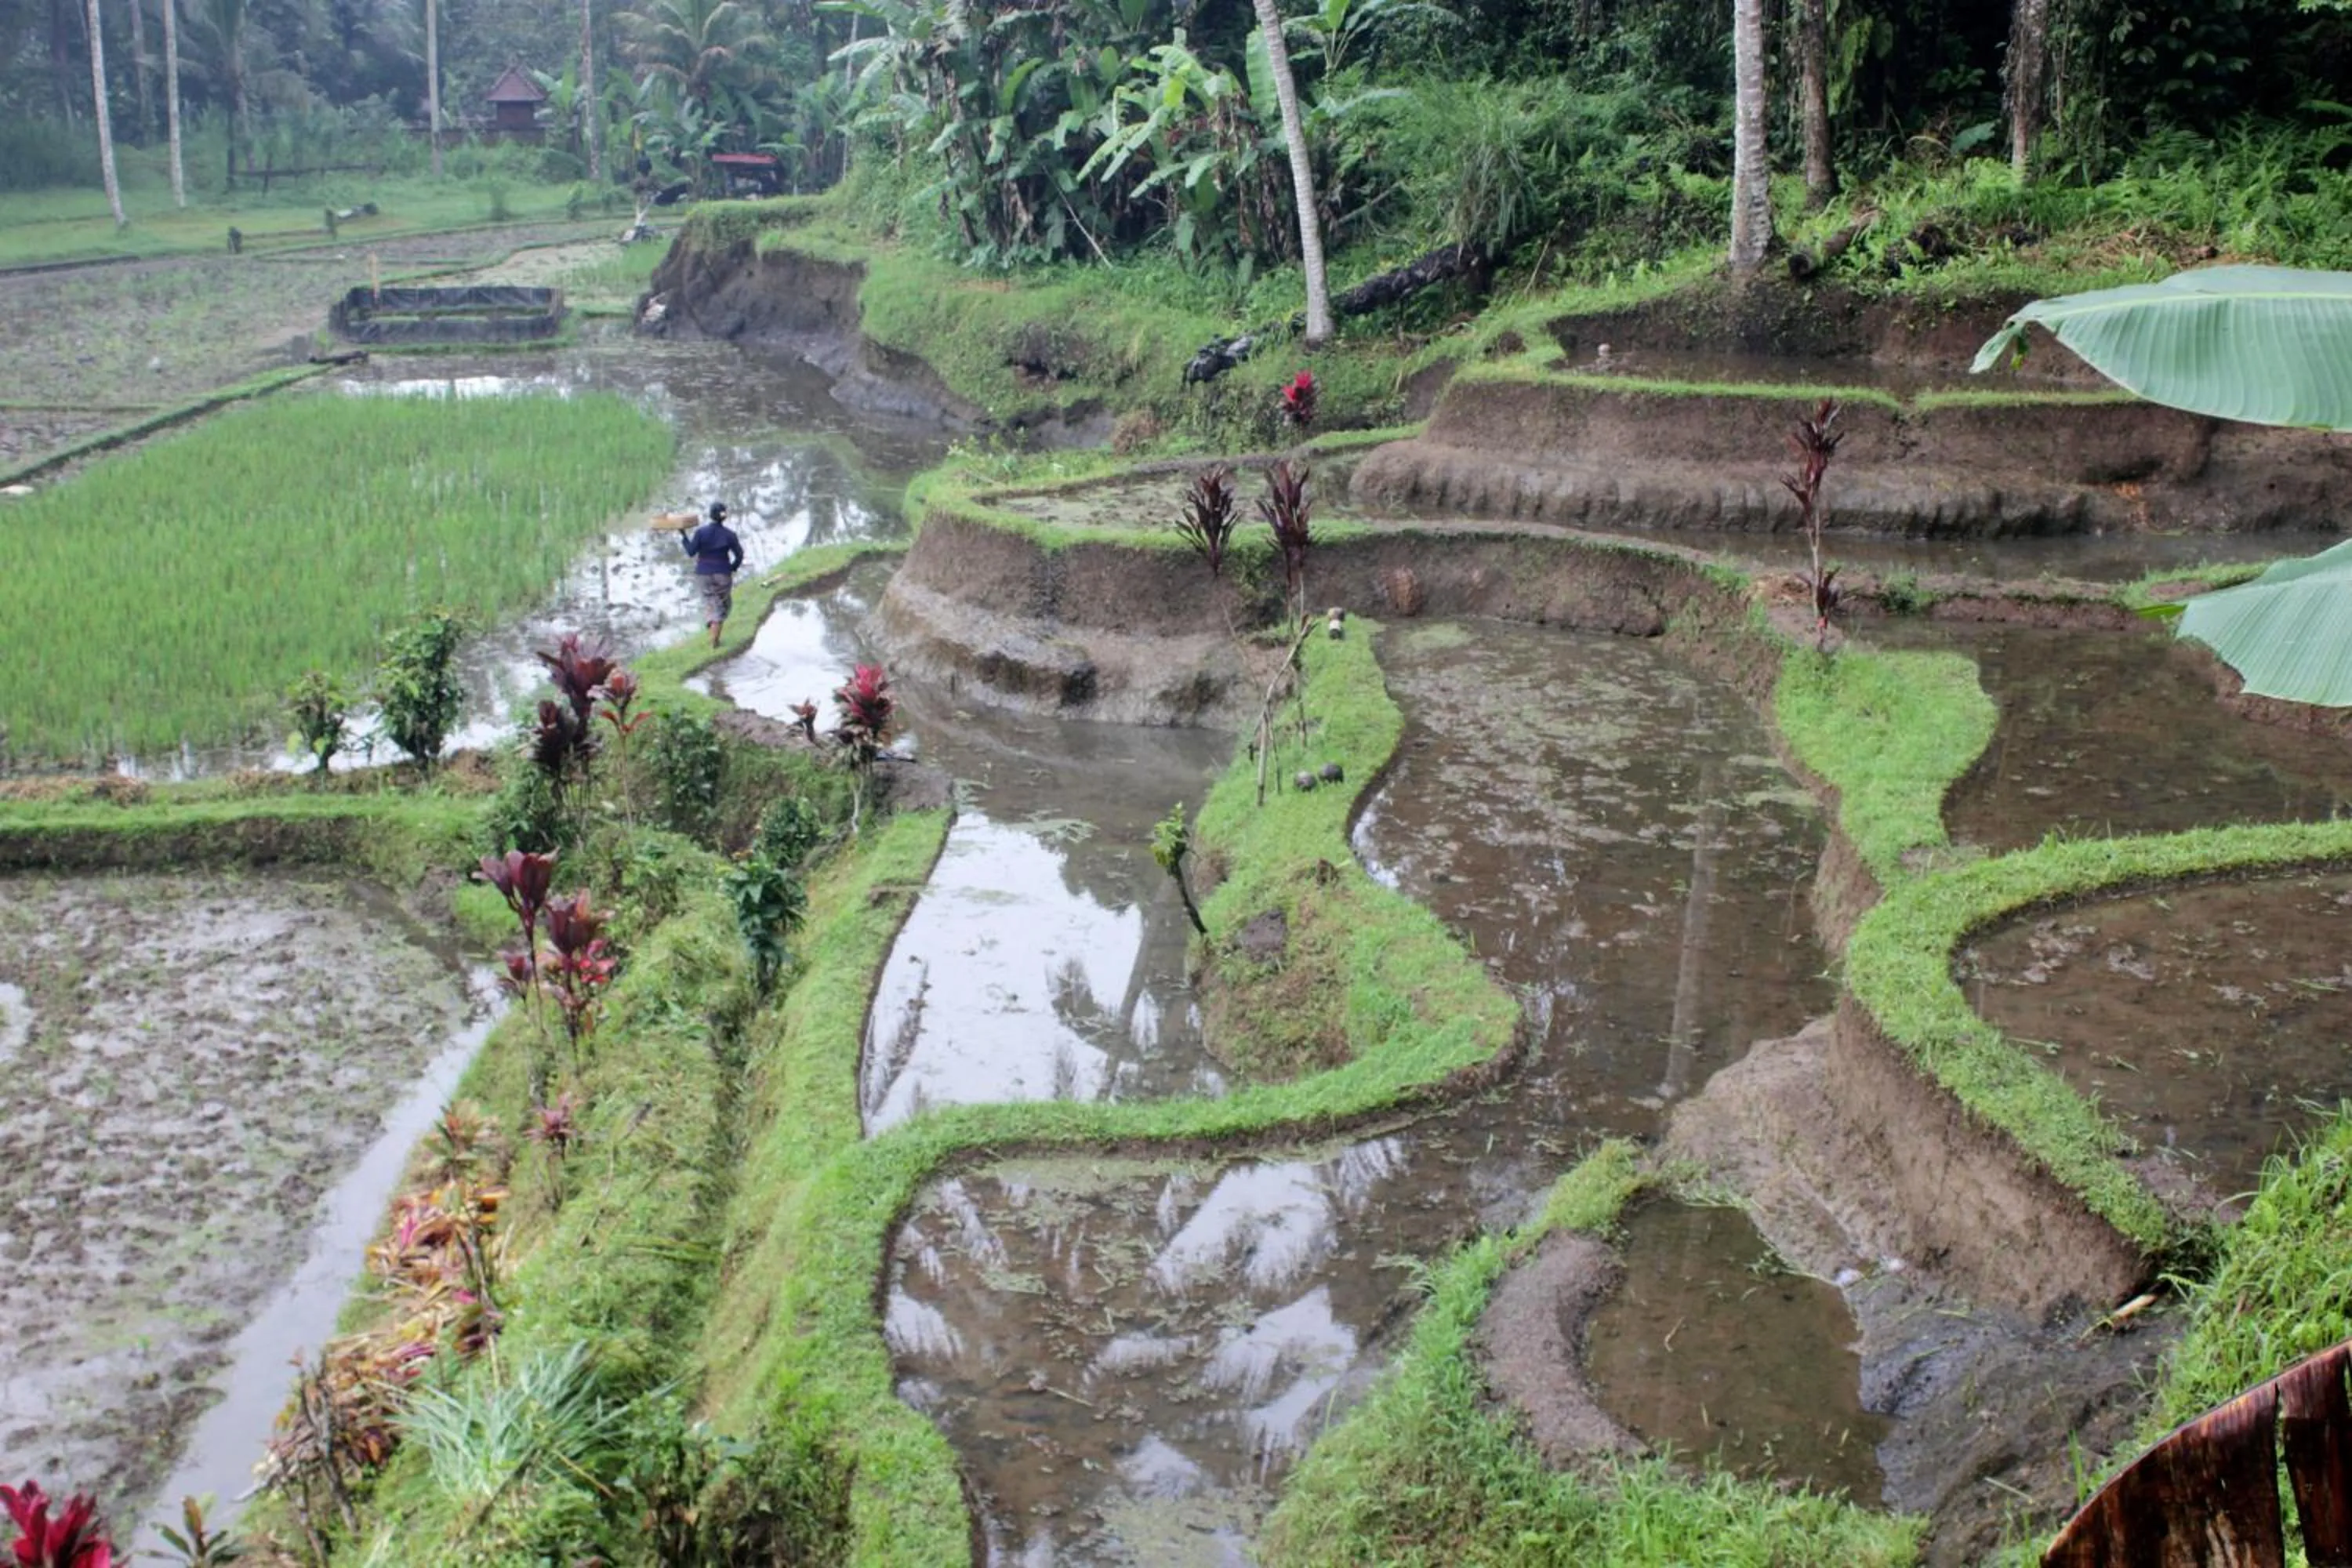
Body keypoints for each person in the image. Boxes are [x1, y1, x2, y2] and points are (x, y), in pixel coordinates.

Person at [681, 501, 745, 647]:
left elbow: (691, 552)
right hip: (723, 573)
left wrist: (684, 536)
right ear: (724, 517)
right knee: (722, 606)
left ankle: (712, 626)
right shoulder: (730, 535)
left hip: (703, 574)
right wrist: (733, 567)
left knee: (712, 604)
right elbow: (740, 555)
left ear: (710, 515)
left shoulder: (701, 533)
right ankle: (714, 640)